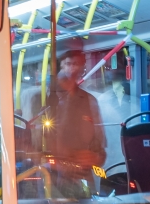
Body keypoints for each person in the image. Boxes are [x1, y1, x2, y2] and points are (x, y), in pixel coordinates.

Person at [40, 37, 106, 194]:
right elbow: (28, 149)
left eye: (77, 64)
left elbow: (101, 151)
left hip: (81, 182)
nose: (73, 69)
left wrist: (93, 158)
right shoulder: (40, 97)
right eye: (69, 64)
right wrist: (59, 163)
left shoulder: (90, 101)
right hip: (48, 181)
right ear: (59, 65)